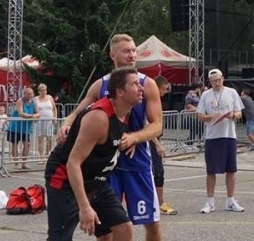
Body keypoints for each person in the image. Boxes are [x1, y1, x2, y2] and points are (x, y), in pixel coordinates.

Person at [57, 34, 163, 241]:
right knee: (105, 230)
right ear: (112, 55)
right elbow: (79, 111)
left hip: (137, 163)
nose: (132, 55)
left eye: (134, 50)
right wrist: (66, 124)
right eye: (126, 51)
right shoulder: (100, 85)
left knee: (151, 223)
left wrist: (135, 137)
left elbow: (157, 125)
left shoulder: (146, 84)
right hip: (106, 166)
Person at [45, 66, 142, 241]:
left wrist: (128, 139)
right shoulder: (99, 117)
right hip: (64, 178)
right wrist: (84, 206)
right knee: (60, 237)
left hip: (95, 181)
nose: (141, 88)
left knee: (123, 228)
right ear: (120, 92)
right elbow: (73, 163)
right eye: (135, 84)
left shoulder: (125, 111)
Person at [196, 68, 245, 213]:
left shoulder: (231, 92)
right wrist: (211, 116)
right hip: (212, 136)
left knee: (231, 169)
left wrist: (233, 116)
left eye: (218, 80)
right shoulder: (206, 94)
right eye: (213, 81)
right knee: (211, 170)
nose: (217, 83)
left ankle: (230, 200)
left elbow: (239, 112)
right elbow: (199, 115)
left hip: (229, 135)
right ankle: (210, 202)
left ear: (223, 78)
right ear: (209, 82)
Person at [150, 75, 177, 216]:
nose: (166, 91)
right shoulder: (149, 102)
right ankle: (159, 204)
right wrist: (157, 144)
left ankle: (158, 203)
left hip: (155, 139)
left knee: (158, 173)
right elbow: (147, 124)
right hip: (149, 141)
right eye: (164, 89)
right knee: (157, 173)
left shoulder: (157, 101)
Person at [8, 86, 39, 169]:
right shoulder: (20, 101)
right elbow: (20, 113)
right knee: (15, 144)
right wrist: (32, 116)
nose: (30, 96)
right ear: (24, 94)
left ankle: (24, 162)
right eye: (28, 94)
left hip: (26, 128)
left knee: (27, 144)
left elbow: (38, 113)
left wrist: (35, 115)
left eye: (31, 94)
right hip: (15, 126)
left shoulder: (34, 102)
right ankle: (17, 162)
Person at [35, 83, 58, 163]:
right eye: (42, 90)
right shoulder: (36, 99)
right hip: (40, 121)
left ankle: (47, 154)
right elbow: (34, 110)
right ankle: (41, 157)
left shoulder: (50, 97)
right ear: (39, 91)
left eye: (45, 90)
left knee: (49, 138)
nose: (43, 92)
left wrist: (55, 118)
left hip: (49, 120)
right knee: (40, 139)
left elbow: (54, 108)